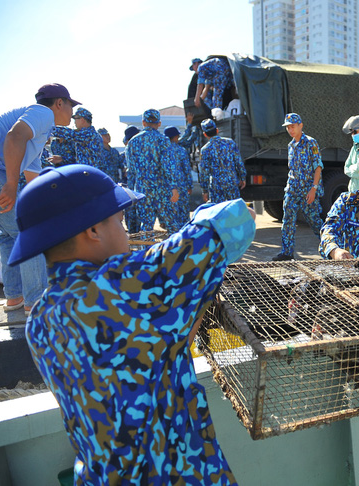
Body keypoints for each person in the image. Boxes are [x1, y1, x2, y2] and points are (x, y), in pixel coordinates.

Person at [14, 164, 255, 485]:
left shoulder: (40, 319)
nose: (125, 232)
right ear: (93, 231)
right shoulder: (123, 284)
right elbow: (236, 221)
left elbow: (159, 347)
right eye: (119, 221)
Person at [0, 83, 77, 314]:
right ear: (59, 103)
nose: (72, 112)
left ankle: (14, 297)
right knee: (29, 232)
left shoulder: (39, 131)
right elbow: (14, 137)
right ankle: (36, 301)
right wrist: (9, 184)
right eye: (71, 105)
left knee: (11, 234)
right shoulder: (42, 113)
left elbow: (32, 174)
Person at [272, 113, 323, 261]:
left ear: (301, 125)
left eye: (292, 126)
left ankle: (331, 248)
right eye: (288, 127)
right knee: (287, 220)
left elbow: (318, 167)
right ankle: (287, 252)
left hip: (307, 190)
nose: (290, 130)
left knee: (315, 222)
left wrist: (314, 189)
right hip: (292, 190)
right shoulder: (291, 145)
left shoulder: (310, 143)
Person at [125, 109, 179, 232]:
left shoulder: (132, 142)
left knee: (146, 225)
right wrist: (174, 188)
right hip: (162, 189)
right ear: (159, 124)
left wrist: (131, 192)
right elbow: (169, 166)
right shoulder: (164, 140)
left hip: (142, 189)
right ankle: (175, 250)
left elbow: (131, 171)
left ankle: (146, 250)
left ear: (143, 122)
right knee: (171, 224)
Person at [198, 118, 246, 204]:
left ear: (205, 134)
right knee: (234, 210)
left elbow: (204, 172)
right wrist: (242, 177)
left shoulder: (205, 150)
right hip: (232, 183)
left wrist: (204, 190)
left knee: (219, 213)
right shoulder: (230, 143)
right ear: (217, 130)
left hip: (217, 187)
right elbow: (239, 162)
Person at [164, 126, 194, 232]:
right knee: (184, 213)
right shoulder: (181, 150)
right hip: (182, 186)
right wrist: (190, 185)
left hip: (168, 187)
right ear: (176, 136)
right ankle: (184, 237)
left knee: (172, 214)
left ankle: (172, 237)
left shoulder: (162, 150)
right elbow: (186, 169)